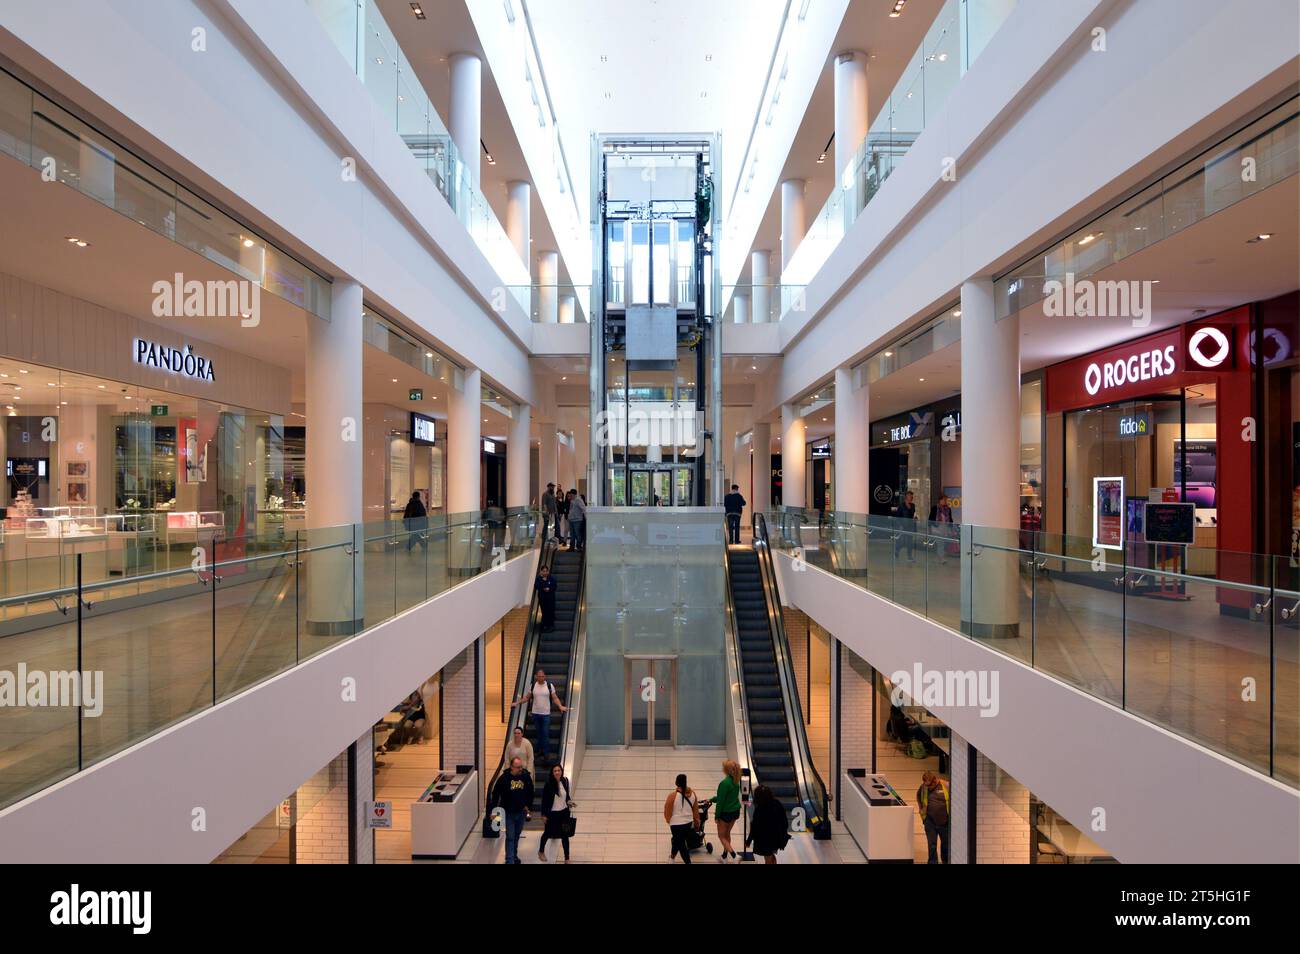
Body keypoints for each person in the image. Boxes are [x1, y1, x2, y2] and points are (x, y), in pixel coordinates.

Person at [511, 668, 567, 764]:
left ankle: (546, 754)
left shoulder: (549, 686)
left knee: (545, 733)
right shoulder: (533, 686)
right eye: (539, 676)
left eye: (542, 676)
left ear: (544, 676)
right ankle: (540, 751)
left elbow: (555, 697)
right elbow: (527, 697)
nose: (541, 678)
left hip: (545, 714)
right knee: (539, 733)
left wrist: (560, 706)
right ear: (536, 676)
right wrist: (517, 703)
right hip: (535, 713)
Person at [489, 756, 534, 864]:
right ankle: (509, 860)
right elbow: (495, 794)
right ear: (511, 767)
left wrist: (528, 806)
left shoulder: (525, 777)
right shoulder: (504, 778)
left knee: (516, 835)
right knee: (510, 836)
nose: (520, 769)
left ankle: (513, 856)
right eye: (518, 767)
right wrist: (493, 811)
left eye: (521, 767)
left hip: (521, 812)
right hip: (508, 812)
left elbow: (531, 792)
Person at [538, 763, 575, 863]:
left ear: (561, 771)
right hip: (552, 814)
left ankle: (567, 858)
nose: (557, 772)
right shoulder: (549, 784)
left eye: (559, 770)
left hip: (564, 813)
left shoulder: (565, 781)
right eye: (555, 771)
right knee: (547, 833)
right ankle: (541, 851)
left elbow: (566, 796)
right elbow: (544, 801)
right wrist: (543, 815)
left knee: (565, 835)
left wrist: (569, 802)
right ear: (552, 773)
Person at [747, 783, 789, 864]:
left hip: (765, 840)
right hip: (777, 837)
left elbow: (754, 827)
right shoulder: (777, 803)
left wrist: (749, 841)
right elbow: (784, 820)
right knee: (771, 855)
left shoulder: (759, 809)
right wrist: (783, 832)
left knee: (768, 859)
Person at [664, 773, 701, 864]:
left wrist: (668, 820)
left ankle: (687, 862)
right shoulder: (693, 794)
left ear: (676, 782)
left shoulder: (672, 796)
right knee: (677, 840)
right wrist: (697, 823)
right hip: (688, 823)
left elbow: (667, 810)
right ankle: (672, 858)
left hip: (675, 824)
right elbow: (696, 811)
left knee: (681, 844)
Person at [713, 759, 742, 862]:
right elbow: (728, 797)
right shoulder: (736, 780)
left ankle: (734, 856)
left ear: (725, 770)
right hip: (735, 811)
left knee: (721, 836)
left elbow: (721, 802)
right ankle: (724, 856)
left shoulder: (724, 783)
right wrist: (712, 799)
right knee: (727, 834)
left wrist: (716, 816)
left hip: (726, 813)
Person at [917, 770, 950, 864]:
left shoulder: (946, 786)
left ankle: (946, 861)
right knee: (932, 845)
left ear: (935, 780)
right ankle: (932, 862)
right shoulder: (924, 786)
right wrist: (921, 809)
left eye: (929, 785)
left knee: (945, 845)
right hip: (930, 822)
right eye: (926, 785)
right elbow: (918, 795)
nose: (928, 788)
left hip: (944, 823)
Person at [927, 492, 956, 564]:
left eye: (946, 500)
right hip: (936, 528)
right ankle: (942, 558)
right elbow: (930, 519)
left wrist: (952, 529)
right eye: (943, 500)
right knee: (940, 543)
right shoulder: (935, 508)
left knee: (942, 543)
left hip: (944, 528)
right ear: (940, 500)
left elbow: (950, 520)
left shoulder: (948, 509)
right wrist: (929, 528)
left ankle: (938, 557)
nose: (945, 501)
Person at [894, 489, 917, 562]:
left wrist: (915, 518)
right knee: (902, 542)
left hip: (910, 526)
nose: (911, 498)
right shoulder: (901, 506)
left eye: (912, 496)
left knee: (909, 542)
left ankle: (909, 556)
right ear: (906, 497)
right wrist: (900, 525)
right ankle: (897, 551)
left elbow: (912, 514)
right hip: (902, 526)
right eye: (910, 496)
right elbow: (897, 517)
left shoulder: (913, 505)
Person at [534, 565, 557, 632]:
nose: (545, 572)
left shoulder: (551, 578)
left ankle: (551, 626)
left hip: (550, 599)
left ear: (548, 571)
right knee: (544, 612)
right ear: (541, 572)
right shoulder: (538, 579)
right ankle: (545, 625)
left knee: (550, 611)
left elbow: (554, 586)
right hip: (543, 599)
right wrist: (544, 586)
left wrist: (549, 589)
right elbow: (537, 586)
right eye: (543, 571)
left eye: (546, 571)